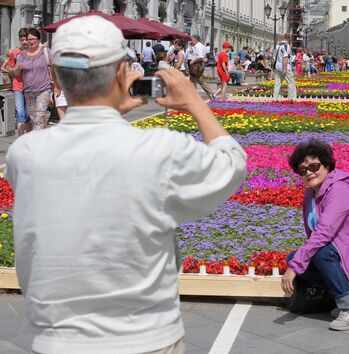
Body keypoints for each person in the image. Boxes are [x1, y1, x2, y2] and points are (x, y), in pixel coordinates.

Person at [6, 15, 246, 353]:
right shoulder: (157, 150)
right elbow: (231, 164)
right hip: (145, 338)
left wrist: (108, 110)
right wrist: (193, 102)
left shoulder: (25, 154)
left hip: (58, 341)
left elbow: (88, 149)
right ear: (122, 74)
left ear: (56, 76)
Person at [283, 139, 349, 331]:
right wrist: (296, 262)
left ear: (327, 165)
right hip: (340, 245)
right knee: (294, 257)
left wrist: (295, 267)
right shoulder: (310, 194)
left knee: (319, 253)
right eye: (302, 169)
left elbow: (323, 233)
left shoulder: (339, 190)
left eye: (314, 166)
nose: (309, 172)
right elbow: (312, 233)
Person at [14, 28, 55, 131]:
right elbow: (17, 73)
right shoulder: (21, 56)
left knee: (39, 116)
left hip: (43, 90)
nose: (31, 41)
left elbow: (54, 68)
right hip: (29, 92)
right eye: (29, 39)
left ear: (38, 39)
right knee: (34, 118)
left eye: (34, 39)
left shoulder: (45, 52)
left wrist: (57, 86)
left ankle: (37, 143)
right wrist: (18, 68)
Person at [3, 28, 31, 136]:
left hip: (31, 88)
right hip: (18, 87)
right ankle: (20, 139)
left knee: (28, 114)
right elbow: (9, 68)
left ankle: (28, 139)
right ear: (19, 40)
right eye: (22, 39)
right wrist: (15, 70)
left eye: (26, 39)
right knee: (20, 113)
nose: (24, 42)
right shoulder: (15, 53)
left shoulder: (33, 52)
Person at [188, 34, 216, 99]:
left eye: (191, 40)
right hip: (200, 65)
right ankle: (211, 93)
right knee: (201, 80)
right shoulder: (201, 46)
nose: (191, 42)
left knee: (192, 81)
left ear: (195, 40)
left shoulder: (198, 46)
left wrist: (193, 61)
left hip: (197, 65)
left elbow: (200, 57)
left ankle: (193, 97)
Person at [273, 33, 297, 101]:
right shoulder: (286, 45)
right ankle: (291, 98)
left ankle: (275, 98)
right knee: (291, 82)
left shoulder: (278, 45)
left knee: (277, 82)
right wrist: (285, 68)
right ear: (289, 38)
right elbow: (285, 58)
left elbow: (274, 56)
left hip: (277, 65)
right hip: (284, 65)